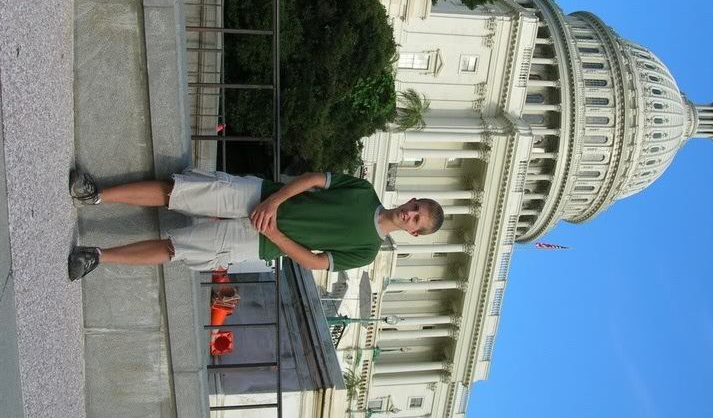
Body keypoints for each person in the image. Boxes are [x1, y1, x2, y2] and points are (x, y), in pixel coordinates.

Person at [67, 169, 444, 281]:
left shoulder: (366, 251)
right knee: (176, 191)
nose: (410, 214)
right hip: (259, 195)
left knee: (175, 251)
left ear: (413, 232)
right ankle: (95, 194)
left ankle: (97, 256)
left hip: (260, 243)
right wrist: (273, 202)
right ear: (411, 200)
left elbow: (314, 262)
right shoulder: (363, 191)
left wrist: (275, 234)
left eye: (416, 220)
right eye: (415, 207)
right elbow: (314, 179)